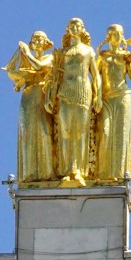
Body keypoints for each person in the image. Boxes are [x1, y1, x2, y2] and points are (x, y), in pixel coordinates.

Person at [45, 18, 101, 185]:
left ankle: (79, 171)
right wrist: (50, 96)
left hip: (83, 93)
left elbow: (95, 74)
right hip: (65, 93)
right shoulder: (63, 53)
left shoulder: (88, 51)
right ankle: (67, 169)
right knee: (65, 132)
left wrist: (99, 96)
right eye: (71, 26)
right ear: (67, 29)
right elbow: (55, 76)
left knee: (81, 132)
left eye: (77, 25)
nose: (74, 28)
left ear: (82, 29)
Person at [95, 24, 131, 183]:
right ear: (108, 37)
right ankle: (103, 173)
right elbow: (95, 78)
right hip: (106, 98)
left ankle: (119, 173)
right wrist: (95, 97)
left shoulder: (125, 56)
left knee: (121, 135)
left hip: (123, 97)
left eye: (119, 34)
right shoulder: (102, 57)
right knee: (105, 131)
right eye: (114, 34)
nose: (117, 37)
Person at [3, 31, 55, 184]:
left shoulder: (49, 58)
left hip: (42, 95)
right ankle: (29, 172)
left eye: (40, 39)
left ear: (46, 42)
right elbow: (13, 74)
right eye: (34, 39)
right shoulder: (27, 65)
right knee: (27, 132)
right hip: (28, 97)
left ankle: (46, 172)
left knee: (44, 130)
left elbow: (40, 67)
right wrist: (16, 62)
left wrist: (26, 53)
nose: (37, 41)